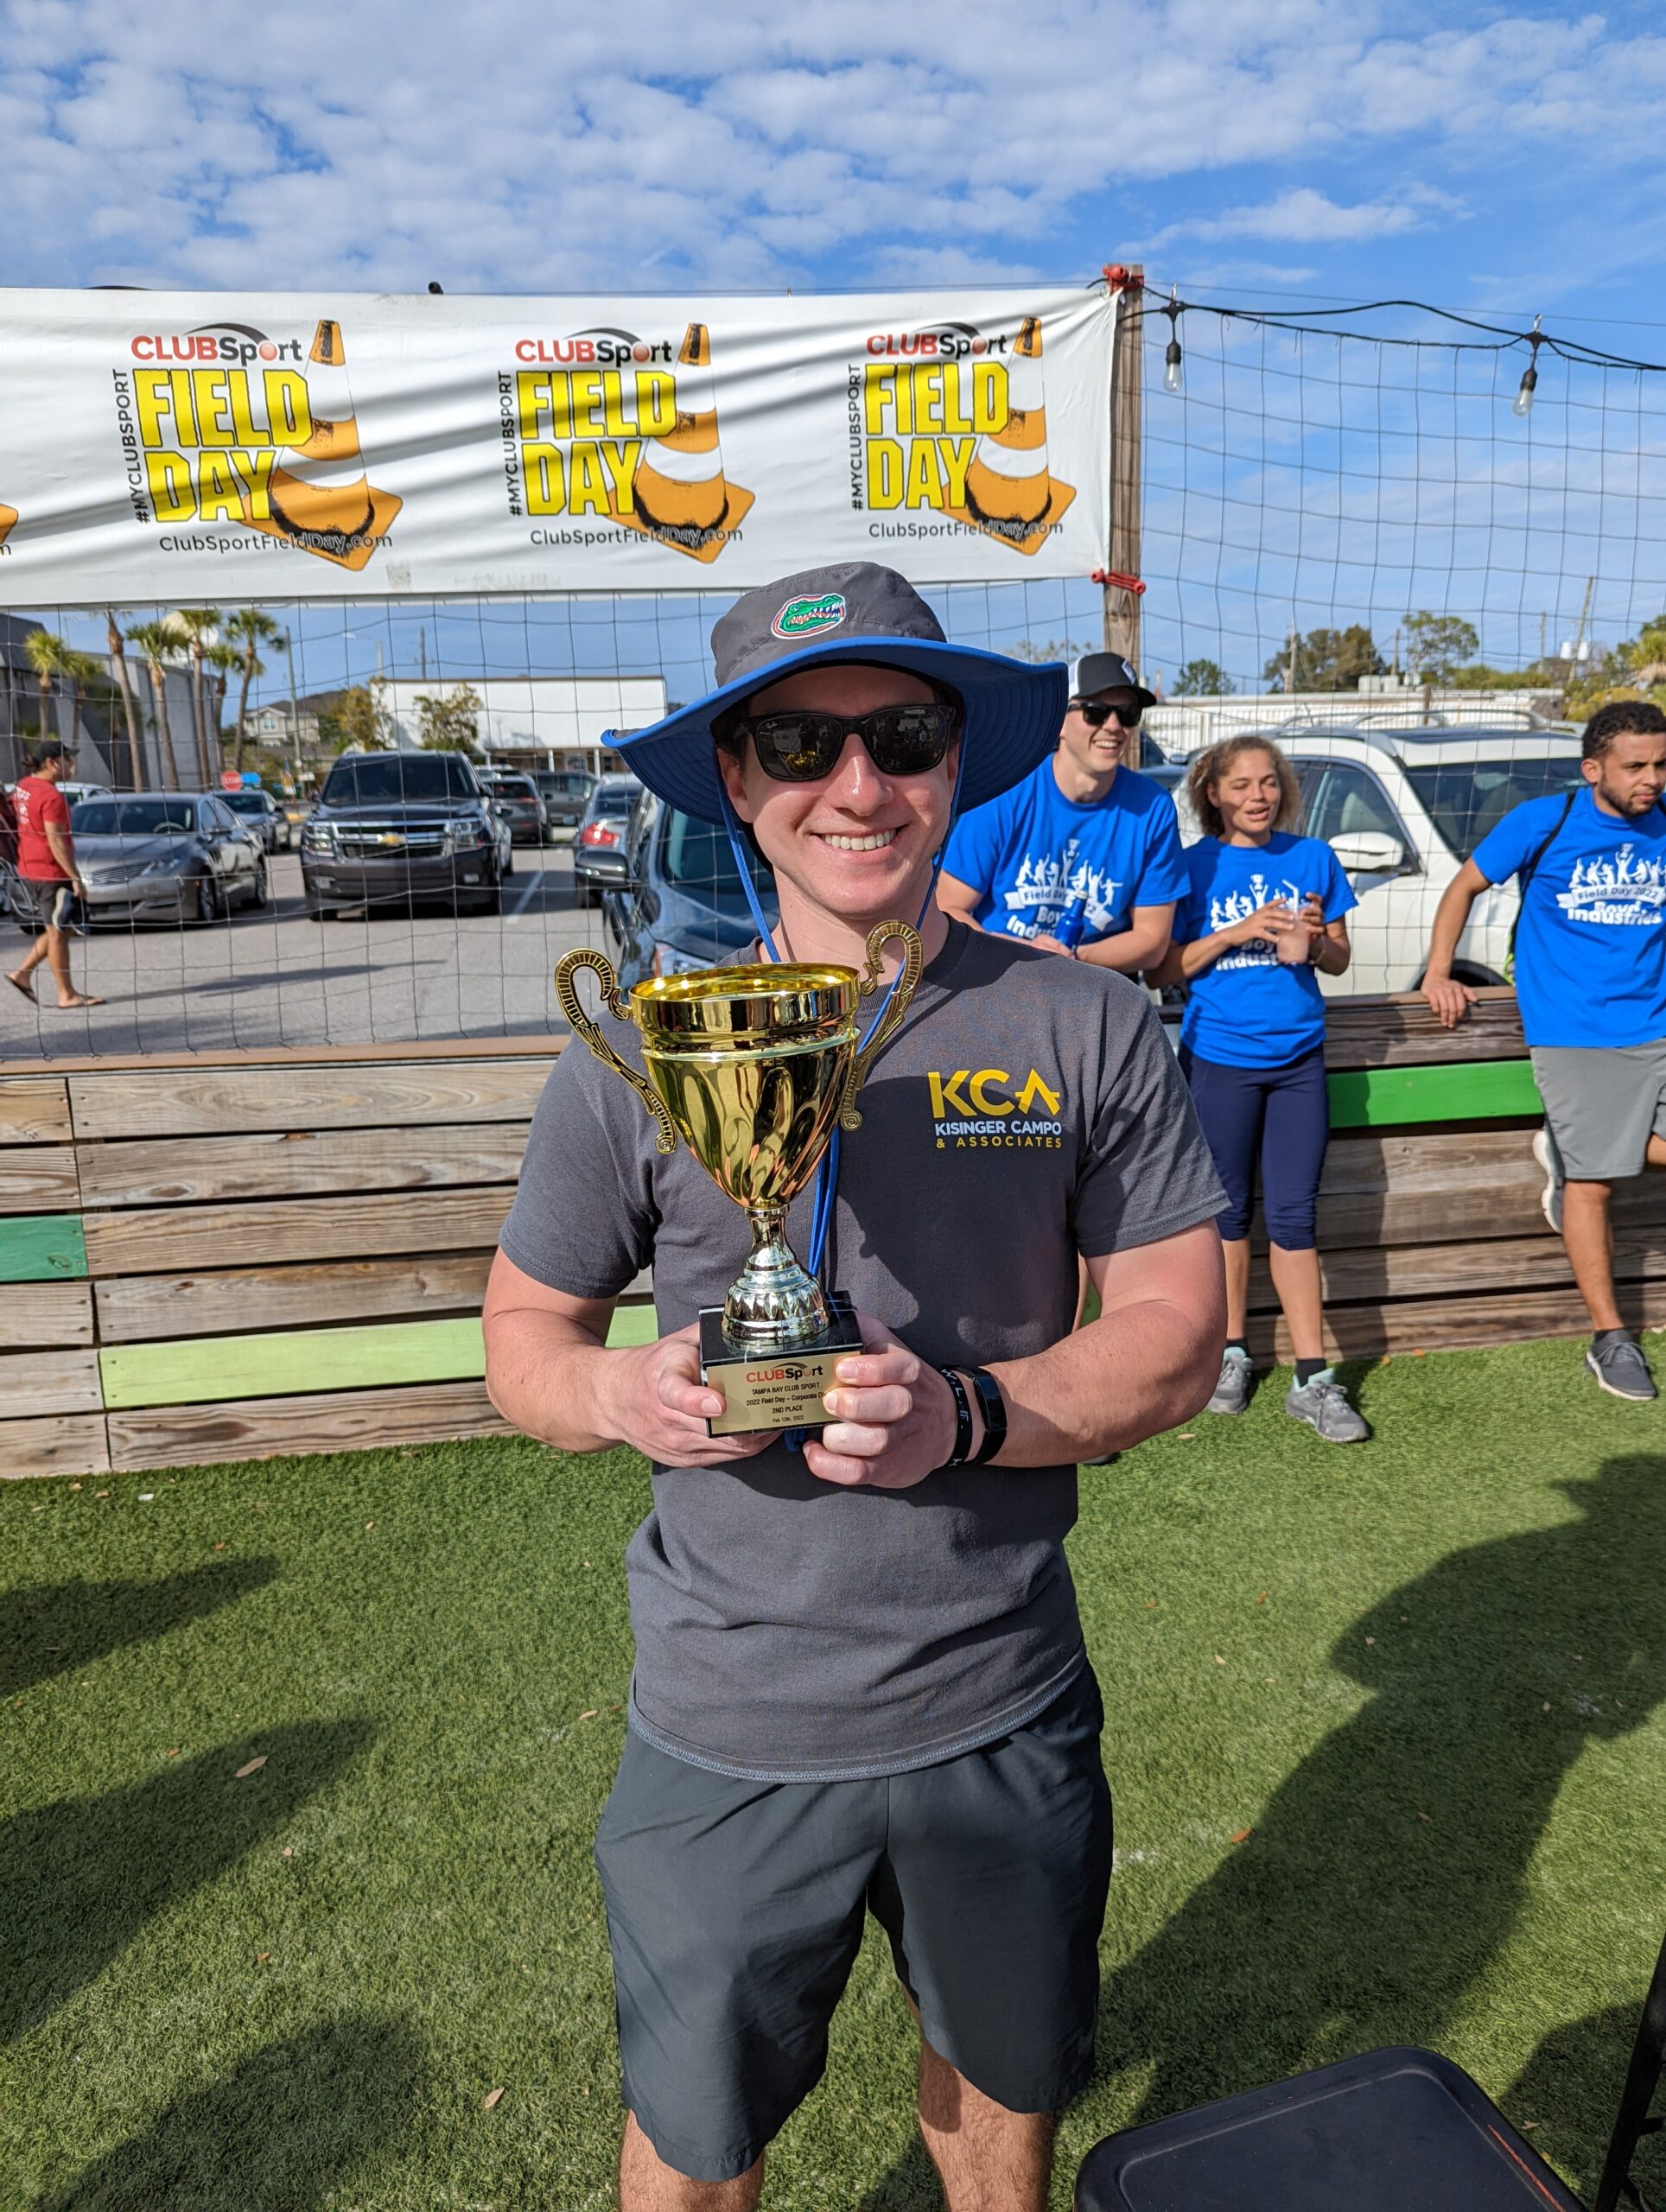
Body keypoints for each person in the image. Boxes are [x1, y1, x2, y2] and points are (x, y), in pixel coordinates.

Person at [482, 563, 1226, 2212]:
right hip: (727, 1715)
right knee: (694, 2140)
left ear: (957, 761)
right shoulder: (659, 1046)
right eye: (800, 747)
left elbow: (1178, 1325)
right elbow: (524, 1337)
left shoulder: (1082, 1018)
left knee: (1001, 2101)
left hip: (999, 1692)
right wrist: (626, 1400)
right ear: (736, 783)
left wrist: (963, 1414)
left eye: (898, 735)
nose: (856, 786)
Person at [1421, 698, 1666, 1401]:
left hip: (1657, 1022)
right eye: (1635, 766)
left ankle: (1571, 1148)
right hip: (1574, 1033)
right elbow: (1464, 886)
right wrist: (1440, 971)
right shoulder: (1545, 820)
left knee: (1606, 1156)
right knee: (1594, 1184)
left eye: (1660, 764)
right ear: (1594, 769)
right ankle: (1610, 1337)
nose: (1651, 778)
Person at [1155, 735, 1365, 1441]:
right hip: (1220, 1061)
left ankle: (1315, 1378)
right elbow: (1166, 967)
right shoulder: (1191, 865)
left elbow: (1337, 960)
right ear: (1212, 793)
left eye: (1269, 782)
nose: (1258, 795)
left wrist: (1317, 938)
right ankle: (1231, 1354)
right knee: (1227, 1216)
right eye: (1241, 784)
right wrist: (1238, 930)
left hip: (1300, 1061)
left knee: (1295, 1218)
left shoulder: (1313, 858)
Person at [936, 649, 1186, 970]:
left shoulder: (1153, 808)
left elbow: (1152, 941)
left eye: (1127, 713)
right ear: (1060, 722)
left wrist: (1071, 960)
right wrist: (1026, 955)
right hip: (1001, 973)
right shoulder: (1007, 791)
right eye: (1096, 711)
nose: (1113, 726)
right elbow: (949, 907)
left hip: (1093, 981)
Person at [5, 742, 102, 1009]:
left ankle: (22, 974)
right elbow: (56, 841)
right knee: (58, 932)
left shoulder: (23, 786)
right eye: (68, 759)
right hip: (50, 871)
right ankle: (66, 995)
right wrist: (75, 878)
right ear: (51, 763)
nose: (73, 765)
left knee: (63, 927)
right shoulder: (51, 797)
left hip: (29, 866)